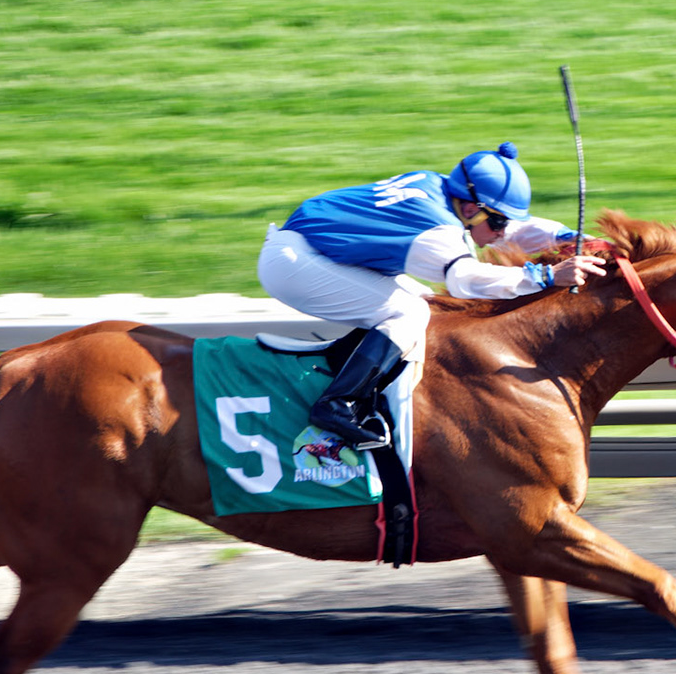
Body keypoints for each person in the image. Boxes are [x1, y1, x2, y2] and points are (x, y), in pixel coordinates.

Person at [259, 141, 608, 449]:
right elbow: (465, 282)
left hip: (313, 250)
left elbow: (515, 227)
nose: (503, 233)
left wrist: (568, 236)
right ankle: (337, 404)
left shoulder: (441, 187)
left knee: (429, 307)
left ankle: (372, 385)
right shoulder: (438, 232)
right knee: (407, 313)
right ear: (471, 209)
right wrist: (546, 275)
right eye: (499, 223)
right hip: (294, 265)